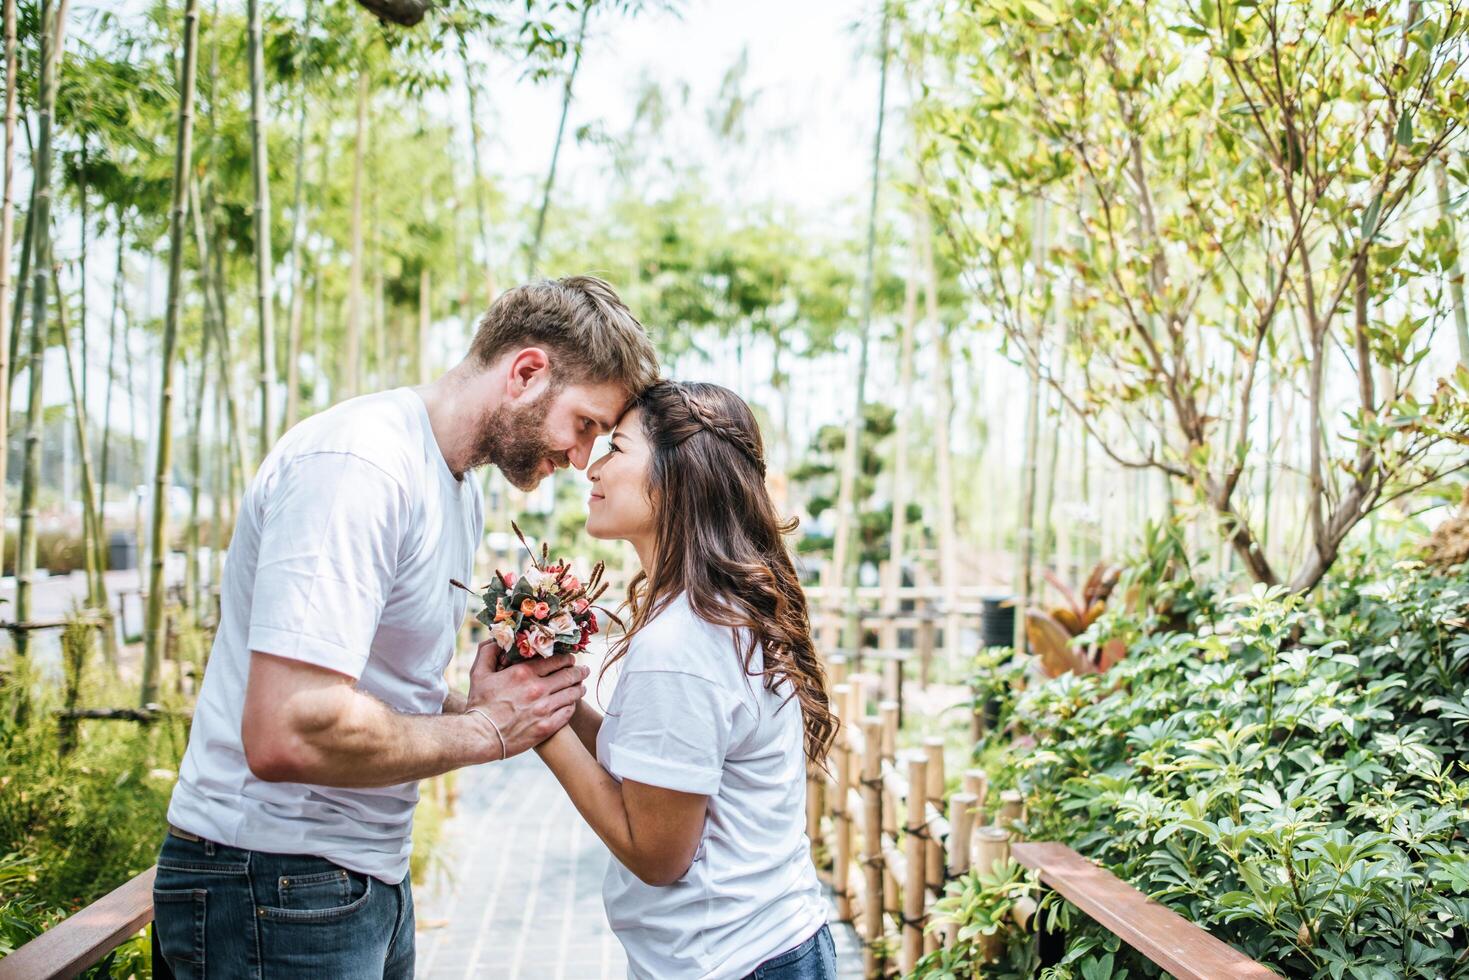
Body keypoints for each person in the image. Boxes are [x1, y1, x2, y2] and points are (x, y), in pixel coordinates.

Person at [151, 276, 660, 979]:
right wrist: (486, 731)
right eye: (584, 425)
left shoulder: (457, 490)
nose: (581, 459)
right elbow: (287, 729)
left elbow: (387, 690)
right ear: (526, 372)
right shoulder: (360, 464)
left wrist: (497, 708)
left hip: (355, 881)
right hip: (269, 878)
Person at [528, 380, 840, 979]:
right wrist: (556, 696)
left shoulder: (681, 642)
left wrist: (537, 729)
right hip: (773, 941)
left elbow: (657, 854)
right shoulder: (717, 608)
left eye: (616, 448)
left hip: (731, 960)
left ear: (677, 476)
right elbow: (659, 767)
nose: (592, 467)